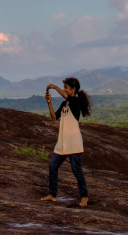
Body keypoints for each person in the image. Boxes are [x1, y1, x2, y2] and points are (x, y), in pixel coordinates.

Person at [41, 77, 91, 207]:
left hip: (73, 142)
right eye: (64, 88)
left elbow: (67, 97)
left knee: (76, 170)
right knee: (53, 165)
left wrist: (54, 87)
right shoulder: (65, 104)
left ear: (73, 89)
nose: (64, 90)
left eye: (66, 88)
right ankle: (52, 194)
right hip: (63, 142)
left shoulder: (75, 102)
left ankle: (84, 197)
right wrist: (49, 103)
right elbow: (54, 117)